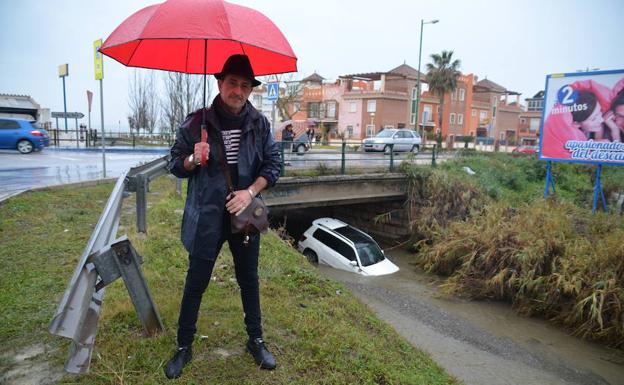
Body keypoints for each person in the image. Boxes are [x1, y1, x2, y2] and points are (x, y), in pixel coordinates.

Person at [165, 54, 281, 379]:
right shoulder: (196, 123)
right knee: (196, 282)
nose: (238, 91)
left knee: (249, 280)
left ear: (250, 90)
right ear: (219, 83)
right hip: (207, 217)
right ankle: (183, 346)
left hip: (244, 217)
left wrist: (251, 192)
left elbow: (274, 166)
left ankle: (255, 341)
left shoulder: (260, 124)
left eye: (245, 86)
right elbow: (173, 163)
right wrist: (191, 158)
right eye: (233, 83)